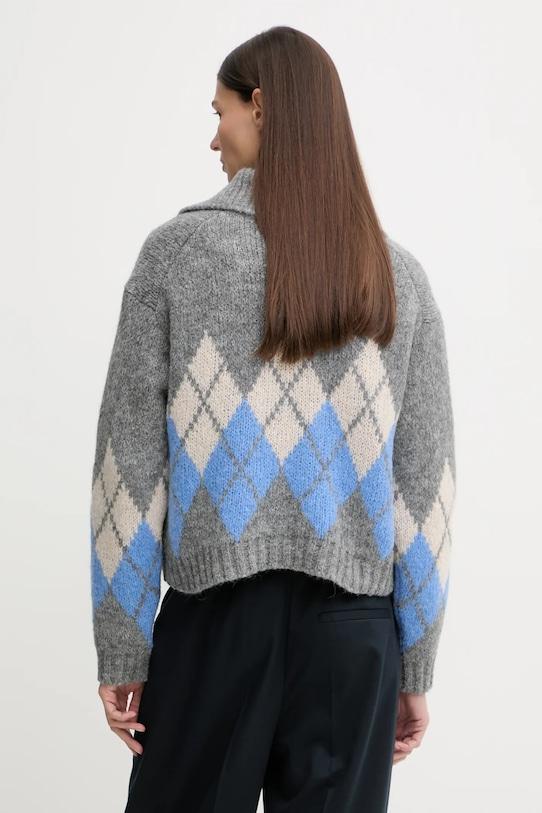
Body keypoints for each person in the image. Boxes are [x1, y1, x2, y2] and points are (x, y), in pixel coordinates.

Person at [89, 25, 456, 813]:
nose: (213, 136)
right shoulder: (399, 277)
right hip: (354, 639)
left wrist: (123, 641)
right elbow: (426, 488)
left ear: (260, 106)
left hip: (215, 625)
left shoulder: (175, 256)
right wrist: (414, 661)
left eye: (219, 112)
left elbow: (128, 466)